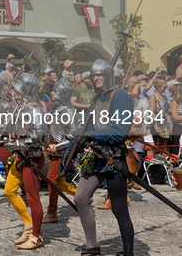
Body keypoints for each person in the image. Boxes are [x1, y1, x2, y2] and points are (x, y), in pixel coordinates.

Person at [67, 60, 134, 256]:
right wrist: (71, 150)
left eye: (100, 75)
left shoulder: (120, 96)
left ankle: (128, 252)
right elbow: (85, 129)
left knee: (119, 208)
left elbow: (120, 132)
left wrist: (91, 136)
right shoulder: (97, 99)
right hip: (96, 157)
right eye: (94, 75)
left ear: (108, 76)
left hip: (114, 159)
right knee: (80, 198)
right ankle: (92, 245)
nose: (96, 78)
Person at [2, 73, 47, 250]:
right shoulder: (21, 108)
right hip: (21, 157)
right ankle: (29, 225)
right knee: (9, 190)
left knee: (33, 198)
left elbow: (40, 137)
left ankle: (36, 237)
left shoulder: (34, 109)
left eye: (17, 88)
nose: (14, 91)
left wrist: (16, 144)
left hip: (32, 158)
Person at [43, 78, 78, 223]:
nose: (52, 93)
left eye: (55, 91)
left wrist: (56, 146)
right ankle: (81, 195)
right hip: (53, 149)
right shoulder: (55, 109)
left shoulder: (69, 112)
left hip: (62, 151)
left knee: (52, 179)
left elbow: (73, 136)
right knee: (58, 180)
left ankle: (52, 212)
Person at [149, 79, 171, 152]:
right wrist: (155, 124)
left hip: (165, 121)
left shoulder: (165, 97)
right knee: (156, 143)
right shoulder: (153, 97)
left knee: (164, 142)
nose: (165, 89)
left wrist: (170, 124)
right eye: (164, 87)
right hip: (157, 120)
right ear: (158, 87)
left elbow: (167, 111)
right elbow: (151, 111)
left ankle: (162, 158)